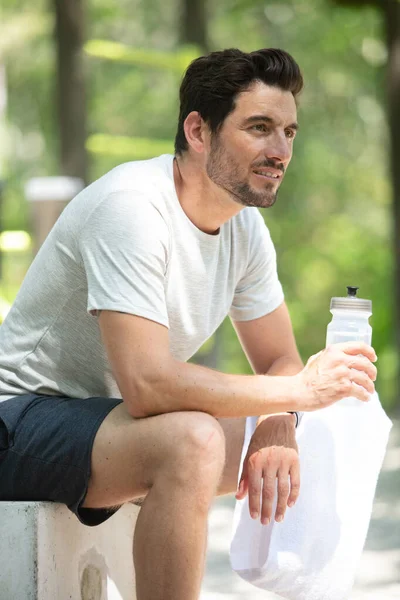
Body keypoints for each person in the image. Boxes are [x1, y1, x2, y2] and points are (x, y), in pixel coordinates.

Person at [0, 48, 377, 600]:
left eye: (290, 132)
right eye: (259, 128)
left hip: (109, 422)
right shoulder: (130, 207)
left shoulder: (244, 228)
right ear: (198, 131)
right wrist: (295, 390)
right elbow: (148, 386)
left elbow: (279, 358)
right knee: (193, 440)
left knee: (311, 428)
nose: (280, 151)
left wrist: (281, 414)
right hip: (21, 419)